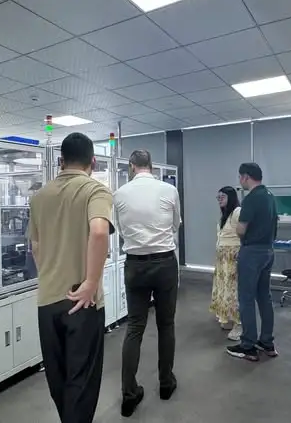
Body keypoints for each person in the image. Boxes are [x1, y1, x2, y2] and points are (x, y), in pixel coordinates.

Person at [29, 132, 114, 423]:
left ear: (61, 161)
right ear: (93, 162)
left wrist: (51, 274)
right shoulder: (95, 190)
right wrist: (90, 282)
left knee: (59, 378)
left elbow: (36, 246)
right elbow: (99, 231)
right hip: (82, 302)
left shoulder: (39, 197)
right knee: (81, 381)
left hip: (47, 301)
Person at [114, 149, 181, 417]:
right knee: (166, 324)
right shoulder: (169, 190)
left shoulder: (120, 194)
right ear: (151, 166)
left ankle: (129, 394)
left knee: (134, 327)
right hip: (164, 263)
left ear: (131, 166)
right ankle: (166, 383)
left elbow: (120, 230)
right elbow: (175, 225)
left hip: (135, 265)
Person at [226, 162, 279, 362]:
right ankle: (267, 342)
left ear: (246, 177)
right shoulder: (270, 196)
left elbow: (241, 229)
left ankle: (248, 345)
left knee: (246, 298)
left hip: (252, 253)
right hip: (268, 251)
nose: (240, 181)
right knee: (264, 296)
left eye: (240, 177)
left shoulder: (250, 199)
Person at [209, 186, 242, 341]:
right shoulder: (225, 215)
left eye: (222, 197)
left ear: (231, 197)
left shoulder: (237, 212)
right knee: (224, 289)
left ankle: (239, 323)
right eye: (218, 197)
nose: (219, 200)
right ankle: (227, 317)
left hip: (233, 258)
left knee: (234, 291)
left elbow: (244, 234)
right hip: (223, 259)